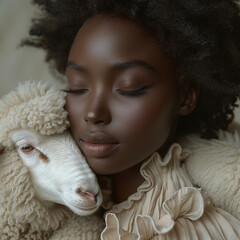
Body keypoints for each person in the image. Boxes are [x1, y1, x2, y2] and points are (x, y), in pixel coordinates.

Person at [22, 0, 240, 239]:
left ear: (186, 96)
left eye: (129, 87)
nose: (93, 113)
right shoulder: (45, 188)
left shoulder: (187, 220)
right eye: (78, 87)